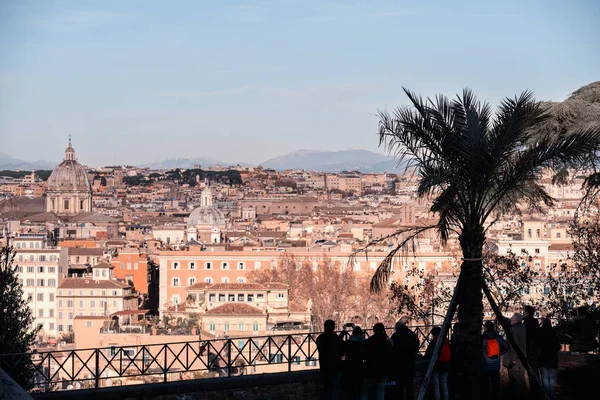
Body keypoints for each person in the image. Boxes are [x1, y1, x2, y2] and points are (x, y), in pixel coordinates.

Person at [389, 320, 420, 400]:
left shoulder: (395, 336)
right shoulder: (413, 335)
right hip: (410, 364)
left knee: (399, 388)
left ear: (397, 328)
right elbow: (416, 349)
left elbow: (391, 350)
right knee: (410, 387)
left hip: (399, 365)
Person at [362, 323, 393, 400]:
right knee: (380, 392)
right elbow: (391, 355)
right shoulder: (387, 343)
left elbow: (364, 355)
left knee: (365, 392)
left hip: (370, 370)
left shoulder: (368, 342)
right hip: (383, 371)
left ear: (373, 330)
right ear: (383, 330)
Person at [316, 319, 344, 400]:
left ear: (324, 327)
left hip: (324, 367)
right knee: (335, 389)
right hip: (336, 367)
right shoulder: (336, 339)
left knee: (326, 389)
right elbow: (341, 350)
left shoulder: (320, 338)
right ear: (334, 328)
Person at [504, 313, 527, 400]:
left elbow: (514, 346)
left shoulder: (513, 330)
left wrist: (512, 360)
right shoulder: (523, 328)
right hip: (522, 359)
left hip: (514, 361)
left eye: (512, 319)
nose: (511, 320)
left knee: (516, 382)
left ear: (515, 320)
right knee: (521, 380)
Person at [424, 326, 451, 400]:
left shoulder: (434, 341)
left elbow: (428, 354)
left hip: (437, 365)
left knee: (436, 384)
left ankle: (437, 398)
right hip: (446, 364)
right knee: (444, 382)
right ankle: (446, 397)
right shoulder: (446, 341)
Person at [481, 321, 505, 400]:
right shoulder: (498, 337)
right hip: (496, 364)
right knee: (495, 382)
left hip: (485, 364)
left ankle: (486, 396)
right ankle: (495, 396)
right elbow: (506, 347)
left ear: (485, 327)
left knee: (485, 383)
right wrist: (499, 353)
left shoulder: (482, 338)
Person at [538, 318, 560, 400]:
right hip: (552, 358)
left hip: (543, 357)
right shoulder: (553, 333)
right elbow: (558, 346)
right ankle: (552, 394)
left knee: (544, 377)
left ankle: (546, 394)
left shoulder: (540, 333)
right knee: (551, 377)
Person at [523, 305, 541, 398]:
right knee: (535, 370)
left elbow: (527, 336)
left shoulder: (526, 322)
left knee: (531, 371)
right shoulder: (534, 321)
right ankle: (537, 390)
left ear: (526, 312)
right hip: (535, 349)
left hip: (529, 350)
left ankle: (534, 391)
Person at [343, 326, 365, 400]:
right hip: (359, 366)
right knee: (360, 388)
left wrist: (343, 331)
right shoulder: (364, 343)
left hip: (349, 366)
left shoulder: (349, 343)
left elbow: (342, 350)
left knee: (351, 388)